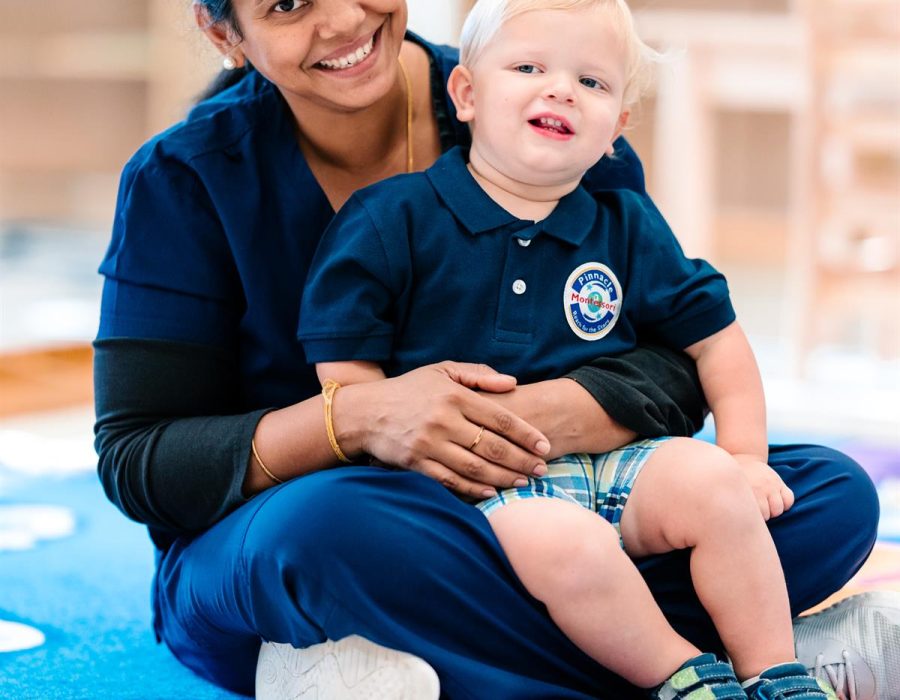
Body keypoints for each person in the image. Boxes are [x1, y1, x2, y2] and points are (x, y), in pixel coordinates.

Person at [91, 0, 889, 698]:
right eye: (287, 4)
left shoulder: (551, 92)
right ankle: (725, 666)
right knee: (326, 533)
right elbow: (141, 460)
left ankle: (395, 668)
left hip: (567, 502)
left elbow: (675, 359)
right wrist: (361, 420)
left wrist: (535, 420)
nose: (339, 18)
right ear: (223, 32)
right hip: (331, 521)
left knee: (824, 495)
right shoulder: (184, 178)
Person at [296, 1, 836, 697]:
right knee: (568, 544)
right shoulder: (392, 217)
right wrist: (396, 454)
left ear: (617, 128)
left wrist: (745, 457)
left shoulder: (627, 223)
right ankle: (684, 676)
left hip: (612, 465)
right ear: (466, 93)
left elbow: (718, 341)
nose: (560, 90)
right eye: (528, 68)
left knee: (719, 489)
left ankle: (775, 671)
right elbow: (347, 376)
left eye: (593, 83)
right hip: (474, 490)